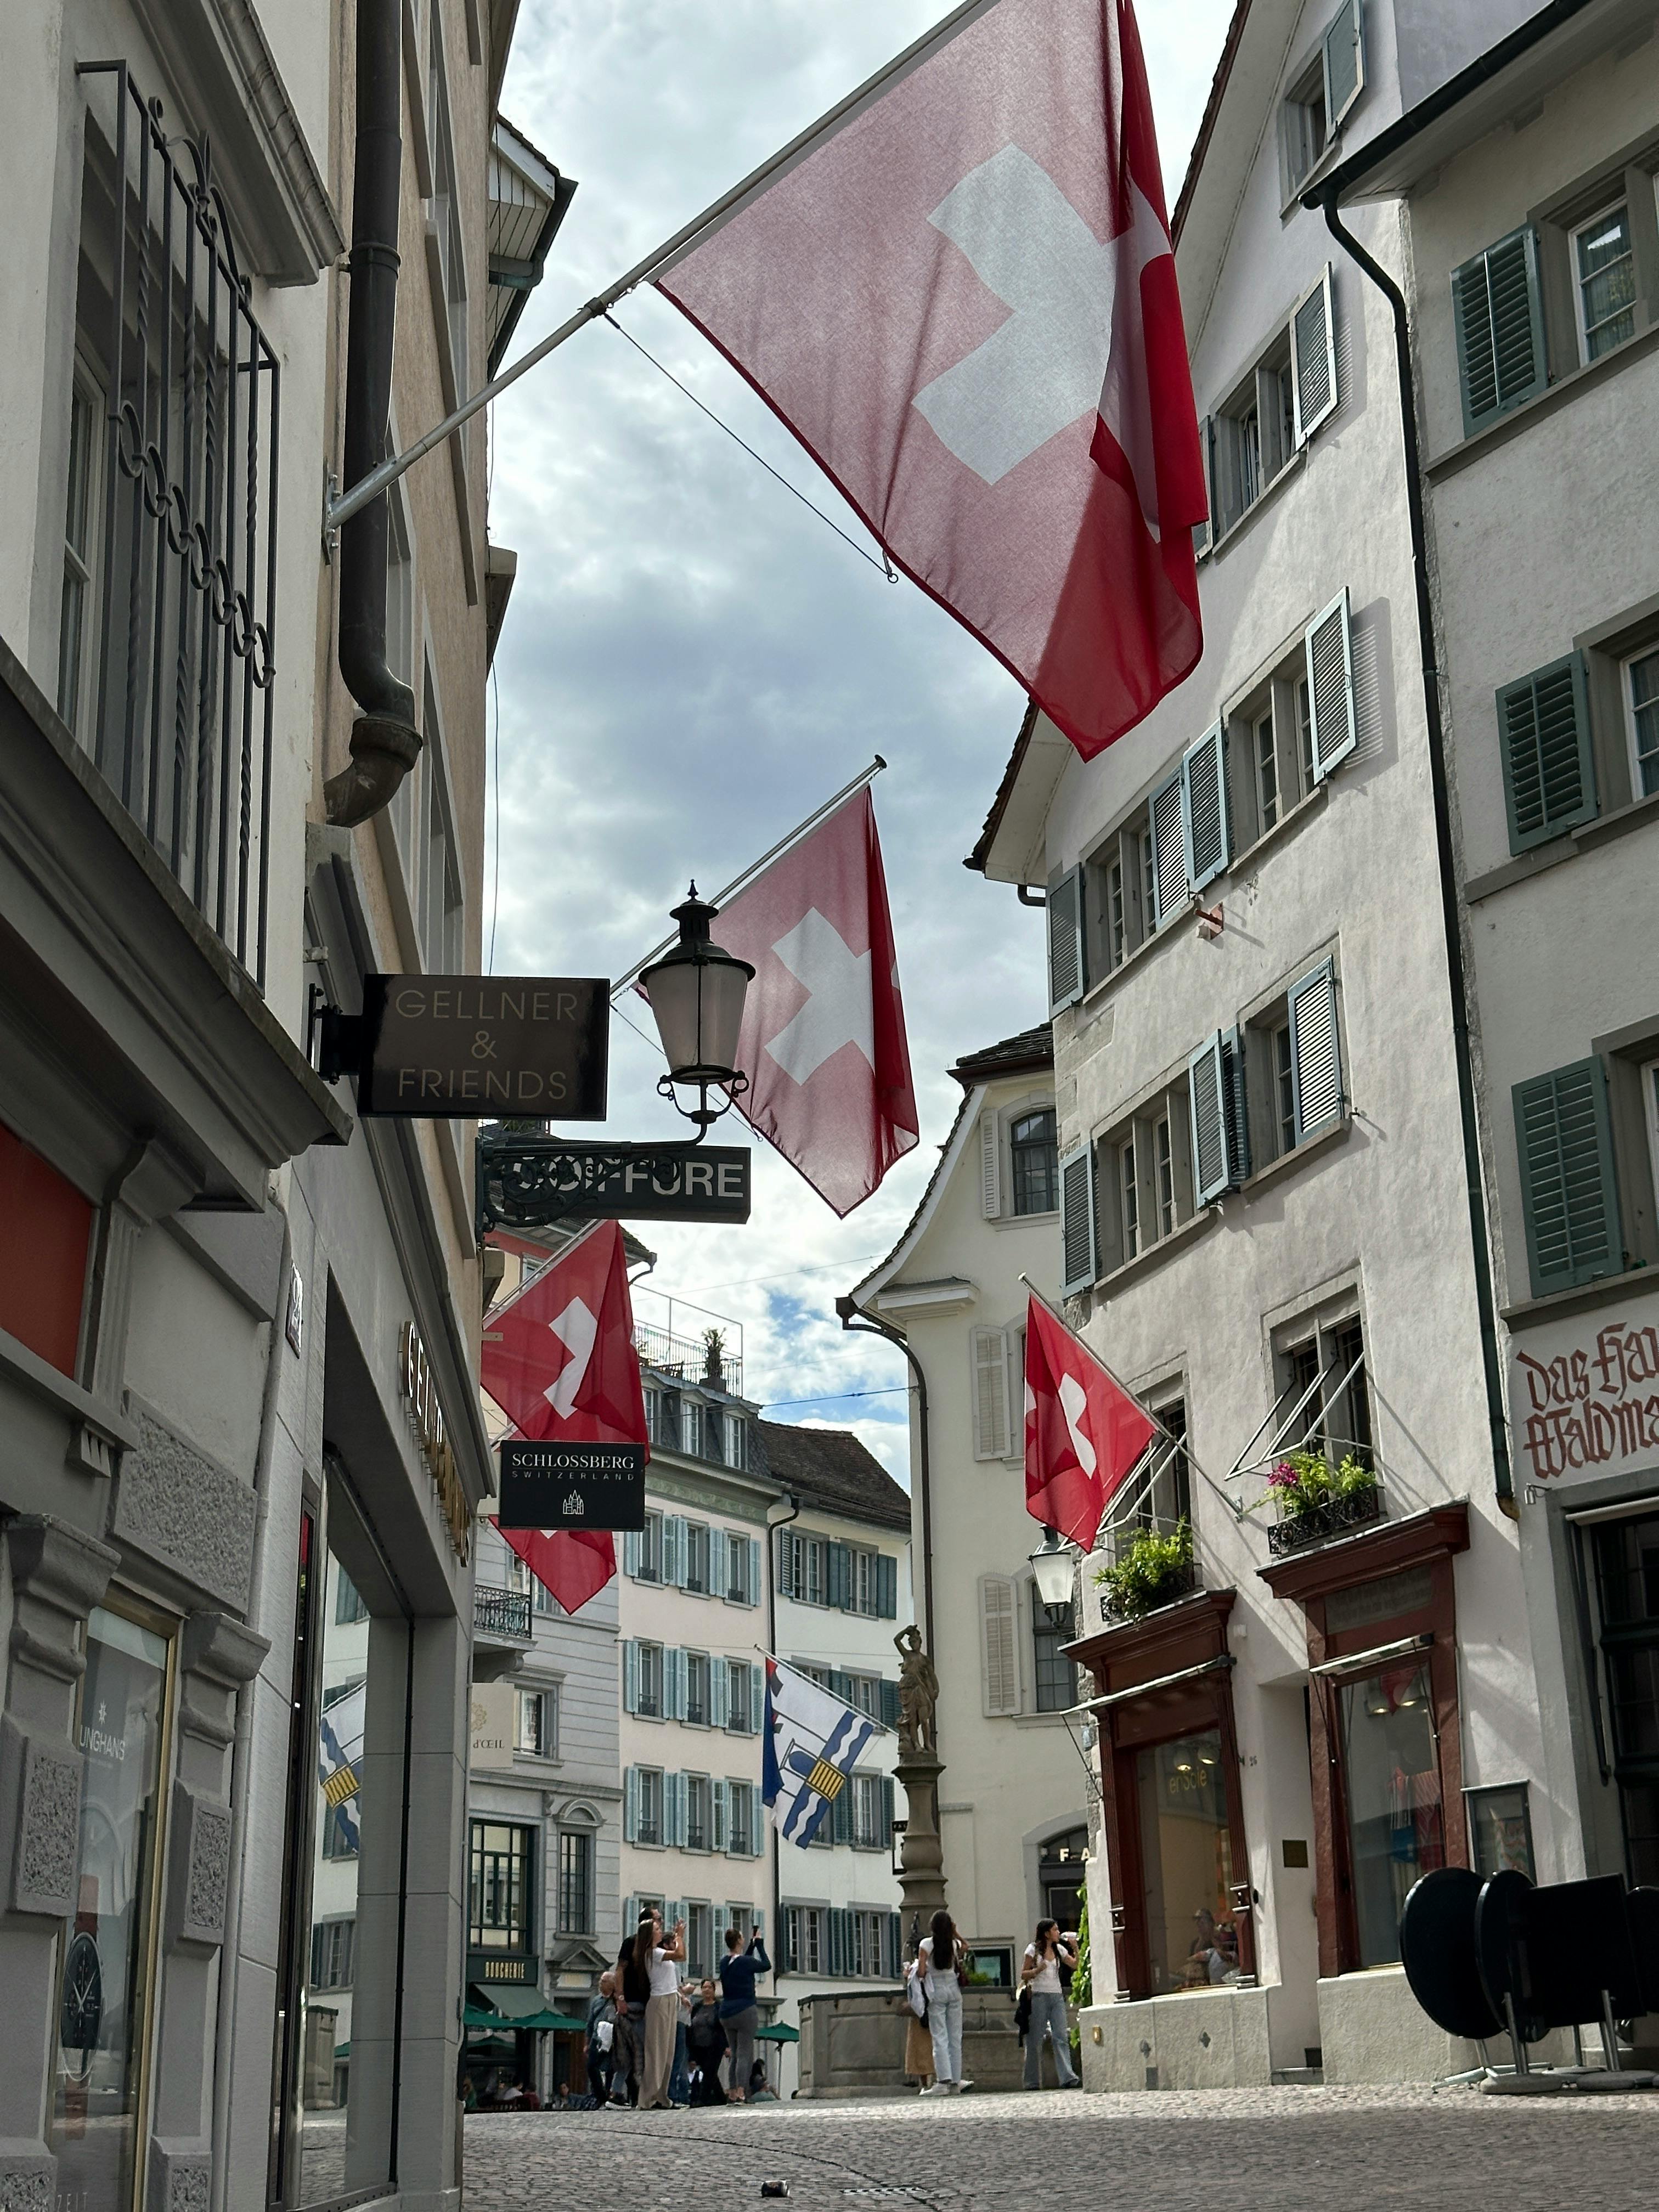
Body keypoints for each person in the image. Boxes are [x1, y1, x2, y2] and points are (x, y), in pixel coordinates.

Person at [1020, 1920, 1080, 2091]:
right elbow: (1023, 1974)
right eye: (1055, 1930)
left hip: (1057, 1996)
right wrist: (1037, 1970)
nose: (1058, 1932)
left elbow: (1075, 1965)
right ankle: (1031, 2081)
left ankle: (1068, 2077)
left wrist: (1075, 1948)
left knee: (1061, 2036)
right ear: (1046, 1933)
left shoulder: (1059, 1949)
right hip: (1038, 1996)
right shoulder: (1033, 1949)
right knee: (1035, 2039)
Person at [916, 1910, 970, 2095]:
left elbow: (921, 1972)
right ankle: (956, 2080)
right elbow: (966, 1946)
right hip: (954, 1990)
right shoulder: (953, 1944)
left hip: (937, 1991)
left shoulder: (926, 1944)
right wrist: (955, 1933)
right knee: (955, 2036)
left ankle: (943, 2081)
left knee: (940, 2036)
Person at [636, 1909, 686, 2110]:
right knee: (656, 2052)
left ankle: (661, 2096)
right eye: (657, 1929)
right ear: (649, 1935)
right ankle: (647, 2098)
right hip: (659, 2002)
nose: (660, 1931)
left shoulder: (656, 1952)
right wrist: (679, 1937)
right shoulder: (653, 1953)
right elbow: (680, 1955)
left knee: (667, 2053)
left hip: (669, 1999)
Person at [717, 1923, 771, 2103]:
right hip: (745, 2010)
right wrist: (760, 1945)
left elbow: (741, 1962)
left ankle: (732, 2092)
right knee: (744, 2054)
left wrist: (751, 1946)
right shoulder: (746, 1963)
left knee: (734, 2054)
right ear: (739, 1941)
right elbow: (766, 1965)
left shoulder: (724, 1962)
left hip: (727, 2012)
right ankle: (741, 2091)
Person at [614, 1920, 652, 2105]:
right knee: (634, 2052)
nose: (660, 1926)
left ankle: (623, 2094)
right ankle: (625, 2094)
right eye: (657, 1922)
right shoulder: (631, 1943)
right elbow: (620, 1970)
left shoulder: (653, 1948)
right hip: (633, 2005)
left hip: (644, 2004)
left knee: (631, 2054)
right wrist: (620, 1998)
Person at [686, 1978, 729, 2106]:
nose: (707, 1990)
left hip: (715, 2046)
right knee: (710, 2074)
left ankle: (702, 2100)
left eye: (710, 1987)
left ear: (714, 1990)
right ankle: (722, 2099)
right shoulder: (697, 2007)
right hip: (699, 2046)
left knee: (710, 2071)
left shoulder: (719, 2007)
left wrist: (727, 2046)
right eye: (704, 1987)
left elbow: (724, 2028)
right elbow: (691, 2025)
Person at [586, 1972, 620, 2107]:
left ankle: (610, 2095)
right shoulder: (596, 2001)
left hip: (612, 2040)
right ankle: (600, 2095)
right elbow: (590, 2022)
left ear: (612, 1984)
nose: (601, 1983)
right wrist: (587, 2042)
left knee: (611, 2069)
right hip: (597, 2039)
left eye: (604, 1981)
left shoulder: (616, 2000)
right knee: (591, 2067)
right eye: (601, 1981)